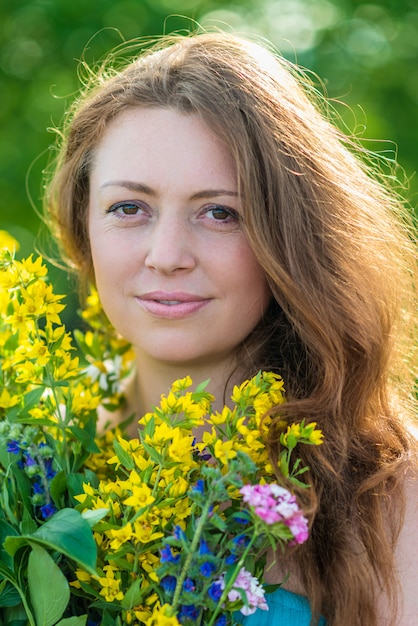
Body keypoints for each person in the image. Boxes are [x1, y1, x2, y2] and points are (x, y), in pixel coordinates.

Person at [43, 30, 418, 626]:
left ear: (291, 240)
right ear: (82, 221)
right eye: (129, 208)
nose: (167, 255)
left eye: (221, 212)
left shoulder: (390, 495)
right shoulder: (34, 451)